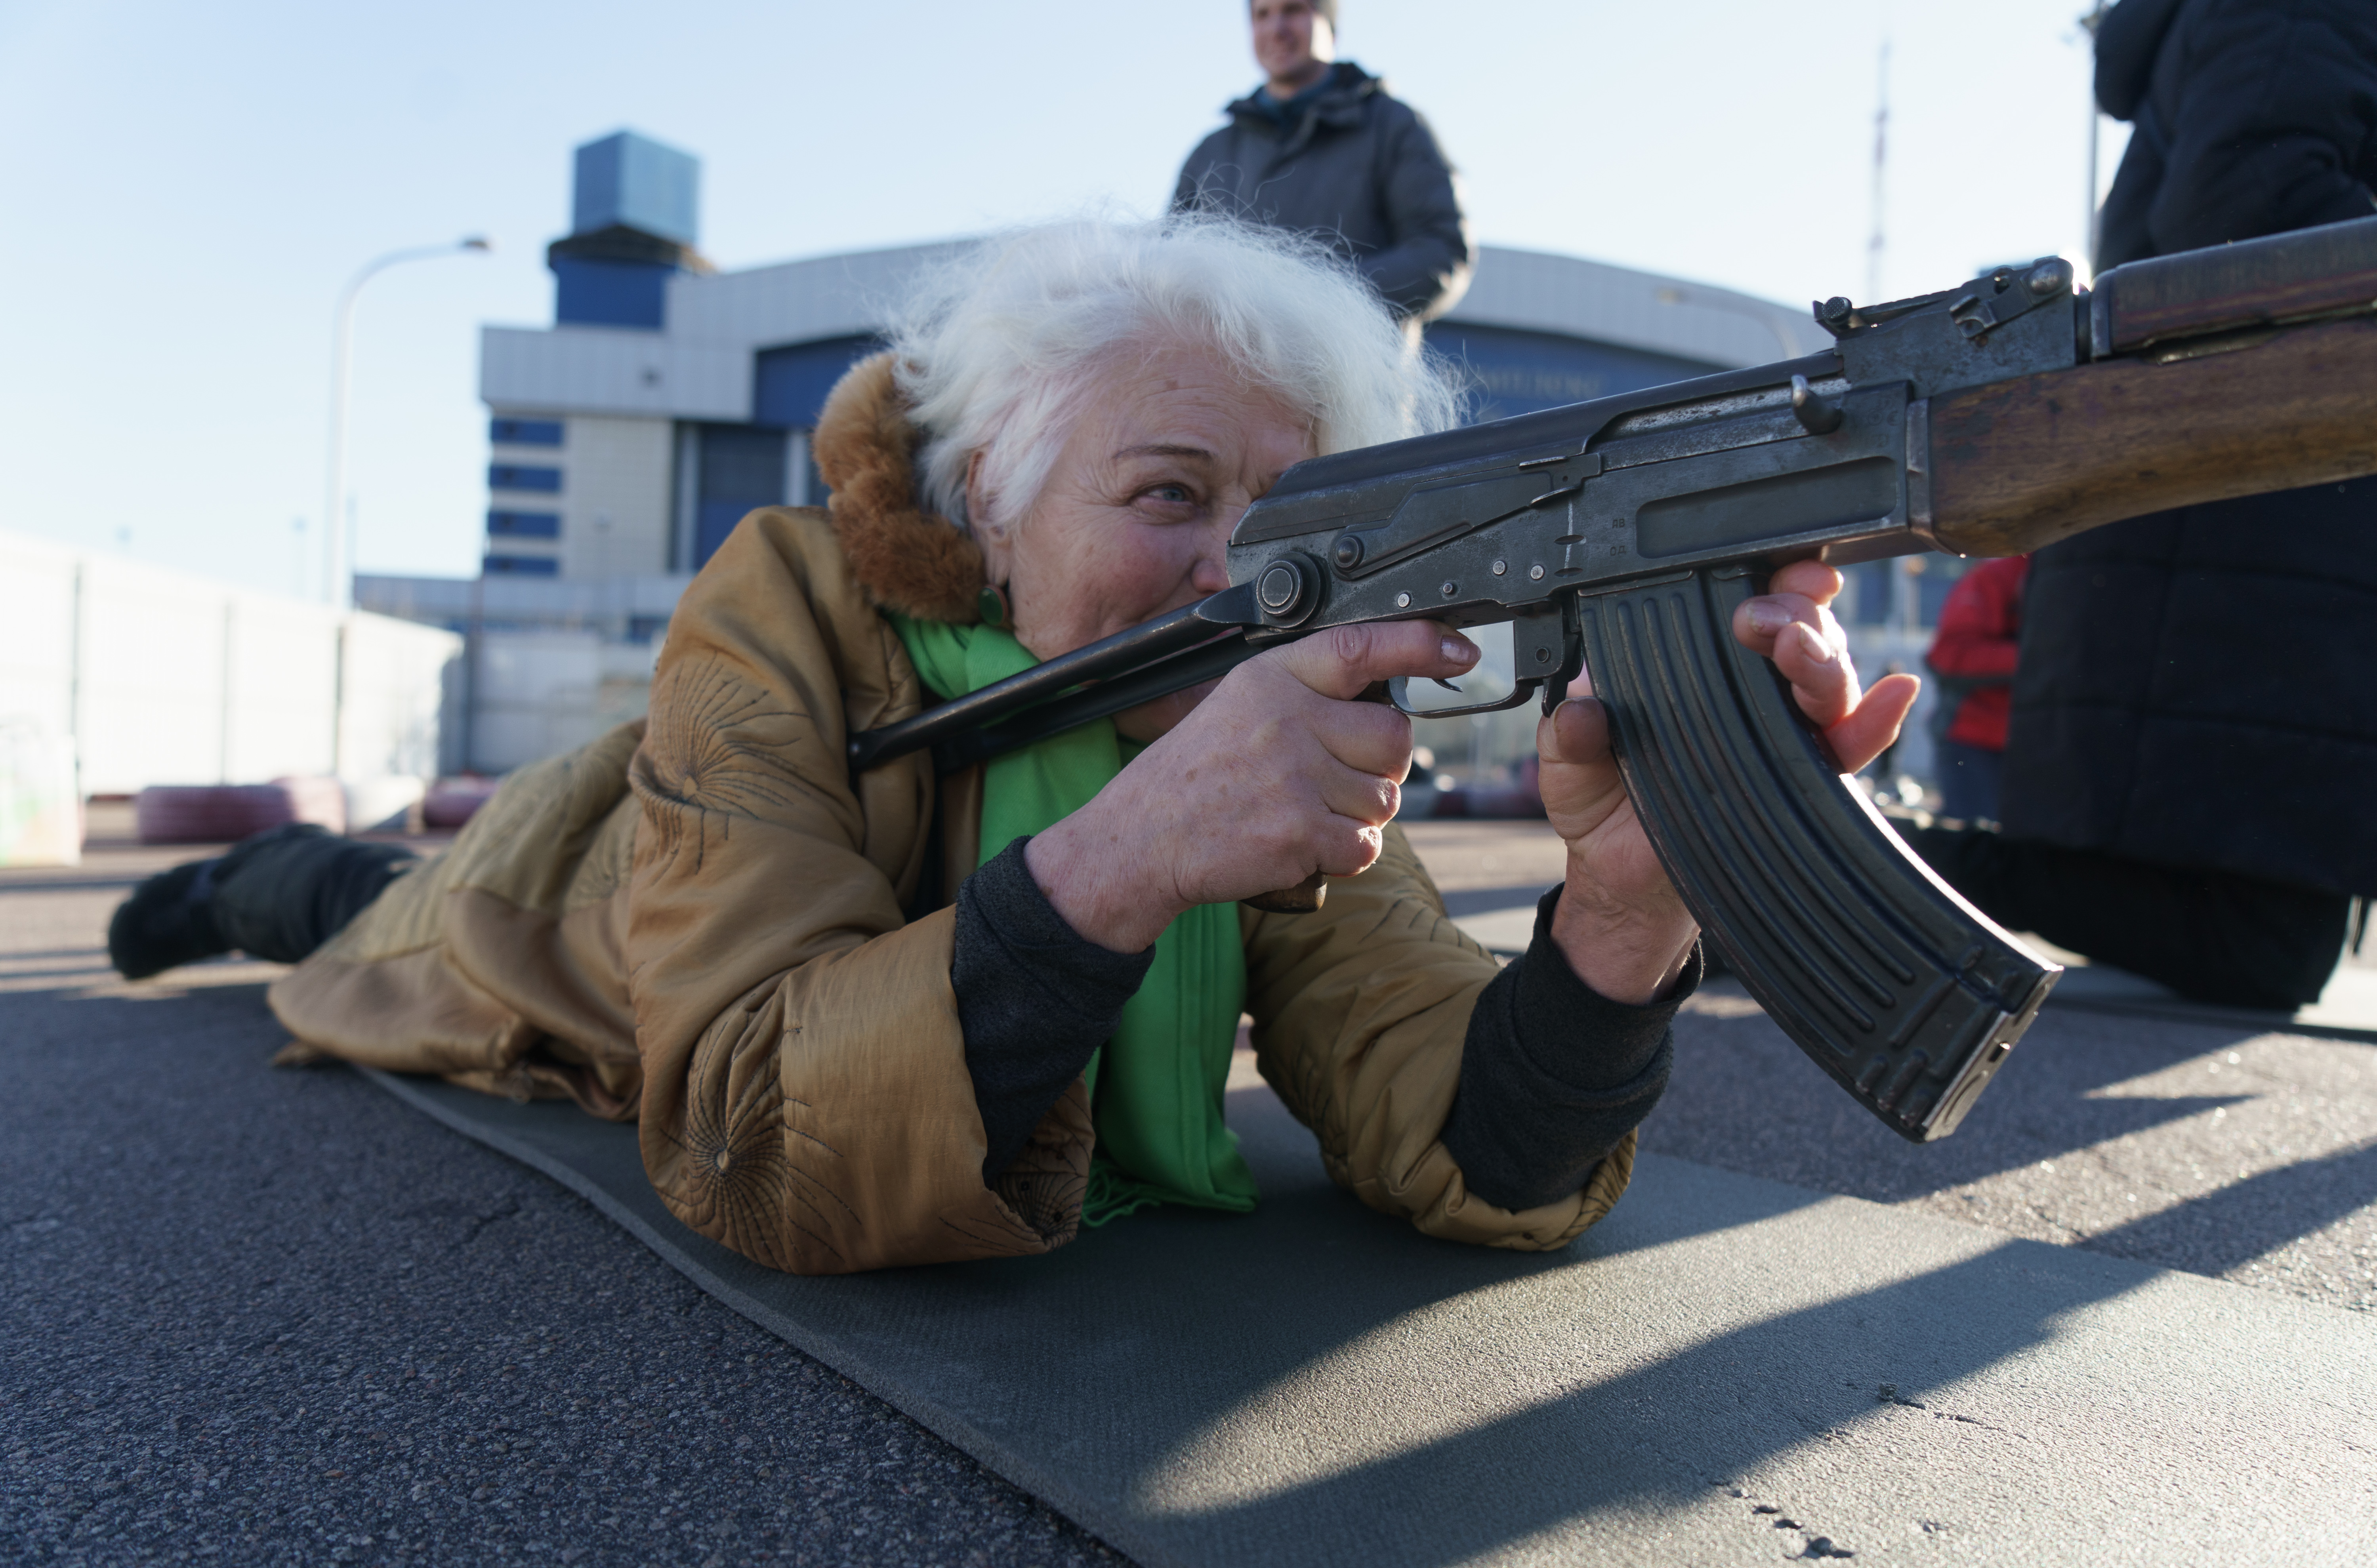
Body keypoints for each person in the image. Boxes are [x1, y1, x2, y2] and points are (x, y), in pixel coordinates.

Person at [108, 217, 1911, 1277]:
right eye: (1165, 494)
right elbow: (746, 1129)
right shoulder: (783, 597)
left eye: (1287, 517)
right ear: (994, 489)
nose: (1235, 569)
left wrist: (1615, 918)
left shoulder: (1247, 690)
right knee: (339, 908)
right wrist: (1131, 852)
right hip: (543, 915)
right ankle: (213, 883)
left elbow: (1460, 1129)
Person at [1903, 0, 2377, 1011]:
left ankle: (1846, 870)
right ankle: (1838, 869)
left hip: (2237, 519)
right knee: (2259, 946)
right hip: (2240, 521)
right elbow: (2251, 207)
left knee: (2263, 948)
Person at [1173, 0, 1471, 323]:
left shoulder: (1392, 127)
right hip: (1225, 372)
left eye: (1294, 10)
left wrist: (1316, 300)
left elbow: (1440, 251)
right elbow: (1167, 272)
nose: (1277, 29)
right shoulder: (1211, 153)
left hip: (1350, 371)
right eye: (1262, 15)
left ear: (1330, 26)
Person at [1923, 554, 2028, 823]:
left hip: (2046, 749)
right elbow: (1950, 655)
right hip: (1978, 744)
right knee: (1977, 848)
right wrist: (2040, 660)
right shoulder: (1999, 575)